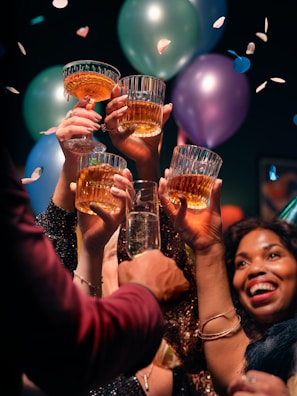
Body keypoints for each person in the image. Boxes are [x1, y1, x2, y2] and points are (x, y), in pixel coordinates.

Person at [35, 89, 217, 394]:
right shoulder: (74, 349)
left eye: (127, 254)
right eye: (115, 256)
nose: (132, 265)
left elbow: (162, 255)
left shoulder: (179, 350)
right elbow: (50, 266)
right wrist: (72, 164)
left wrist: (148, 163)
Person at [2, 144, 189, 396]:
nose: (135, 264)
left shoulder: (177, 359)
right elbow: (67, 348)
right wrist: (143, 292)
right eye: (117, 254)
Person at [158, 176, 297, 395]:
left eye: (272, 255)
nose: (254, 269)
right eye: (242, 263)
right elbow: (235, 373)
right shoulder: (252, 352)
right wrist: (207, 248)